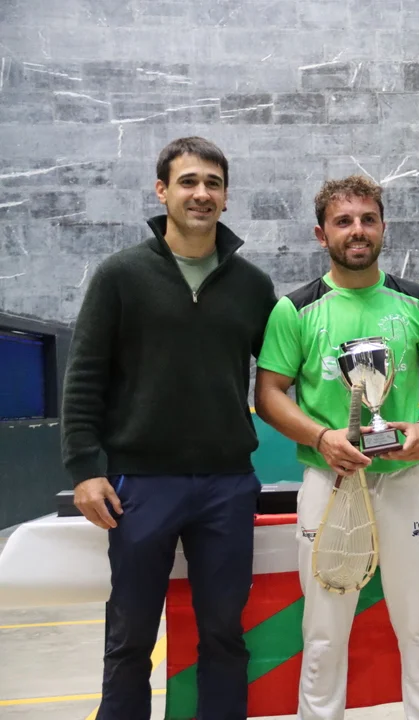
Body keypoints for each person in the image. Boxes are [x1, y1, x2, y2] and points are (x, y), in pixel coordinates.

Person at [61, 136, 277, 720]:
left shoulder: (254, 287)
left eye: (213, 183)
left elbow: (284, 375)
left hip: (227, 485)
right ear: (162, 191)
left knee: (224, 634)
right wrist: (84, 470)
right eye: (188, 181)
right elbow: (84, 376)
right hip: (140, 485)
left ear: (226, 197)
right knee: (130, 637)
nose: (201, 193)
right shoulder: (120, 276)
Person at [254, 174, 419, 720]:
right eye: (343, 221)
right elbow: (268, 393)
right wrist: (320, 437)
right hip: (331, 481)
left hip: (405, 480)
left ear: (383, 227)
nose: (358, 230)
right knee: (324, 632)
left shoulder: (416, 300)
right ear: (321, 234)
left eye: (368, 219)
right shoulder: (296, 310)